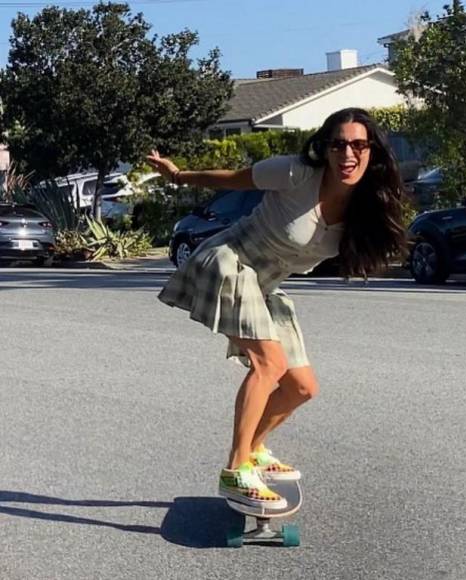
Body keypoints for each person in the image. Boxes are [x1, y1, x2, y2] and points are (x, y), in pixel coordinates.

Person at [146, 108, 407, 509]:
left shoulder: (366, 207)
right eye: (338, 144)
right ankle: (236, 471)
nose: (348, 154)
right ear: (325, 148)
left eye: (358, 145)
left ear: (373, 152)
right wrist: (180, 176)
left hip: (266, 285)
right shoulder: (296, 173)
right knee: (269, 366)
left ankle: (254, 449)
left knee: (302, 387)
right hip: (230, 261)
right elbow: (236, 178)